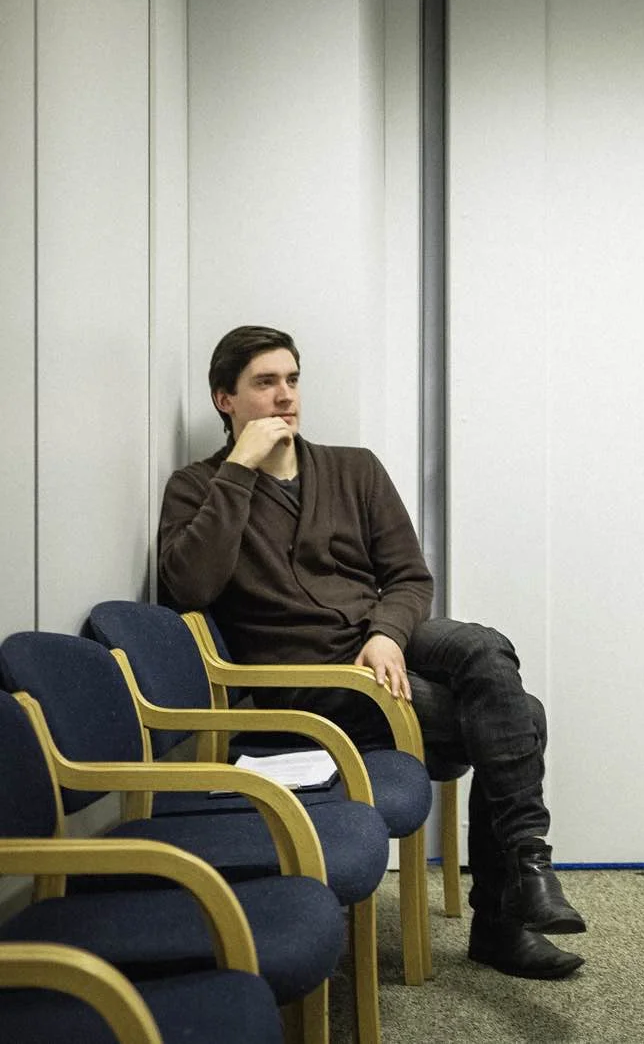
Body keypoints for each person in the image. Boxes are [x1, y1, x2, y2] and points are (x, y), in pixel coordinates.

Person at [159, 325, 588, 980]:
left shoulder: (354, 468)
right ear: (226, 399)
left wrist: (386, 631)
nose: (285, 396)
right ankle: (508, 912)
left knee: (483, 646)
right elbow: (190, 585)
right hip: (313, 680)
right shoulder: (198, 487)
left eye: (292, 379)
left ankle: (530, 867)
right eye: (265, 383)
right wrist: (239, 470)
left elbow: (410, 576)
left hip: (381, 641)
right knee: (522, 716)